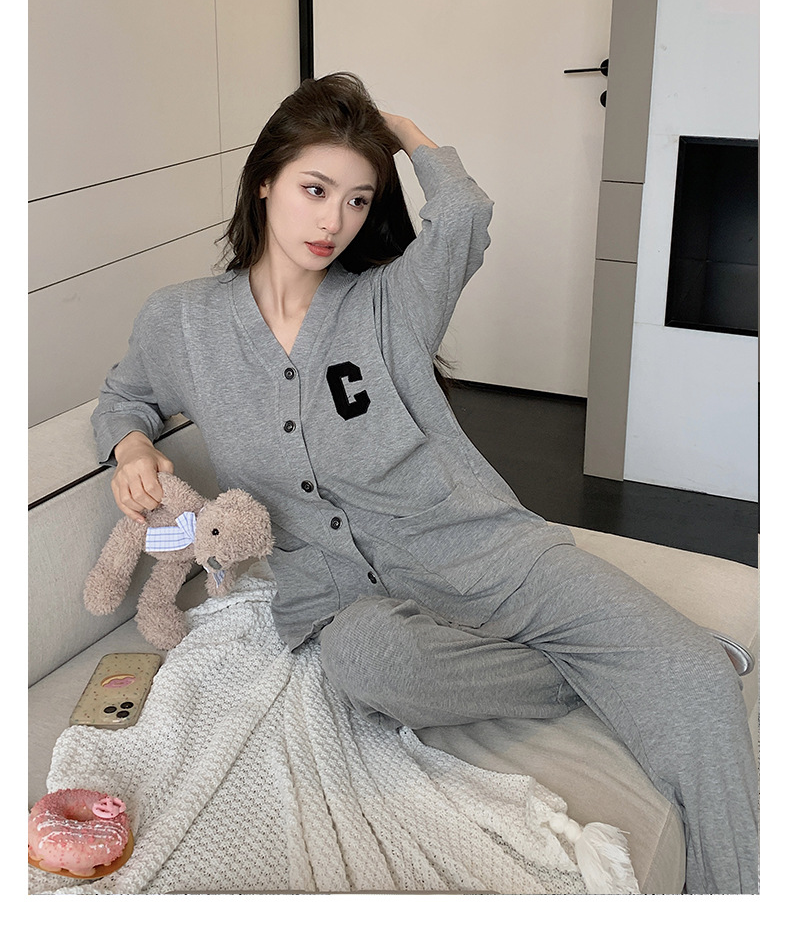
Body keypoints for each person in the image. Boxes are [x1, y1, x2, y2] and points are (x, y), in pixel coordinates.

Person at [93, 72, 758, 894]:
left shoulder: (389, 302)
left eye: (358, 200)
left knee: (696, 679)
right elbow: (125, 395)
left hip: (481, 552)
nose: (334, 221)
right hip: (343, 597)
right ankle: (602, 670)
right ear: (263, 180)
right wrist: (131, 447)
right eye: (314, 189)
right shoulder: (183, 320)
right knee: (368, 662)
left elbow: (465, 216)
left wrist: (402, 130)